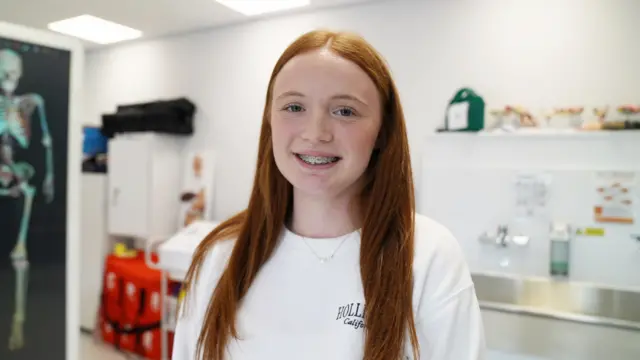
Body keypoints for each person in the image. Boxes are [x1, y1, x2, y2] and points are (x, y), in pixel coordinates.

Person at [172, 29, 485, 360]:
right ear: (270, 121)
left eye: (345, 111)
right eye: (294, 107)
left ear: (382, 131)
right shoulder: (221, 255)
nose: (315, 133)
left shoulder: (428, 255)